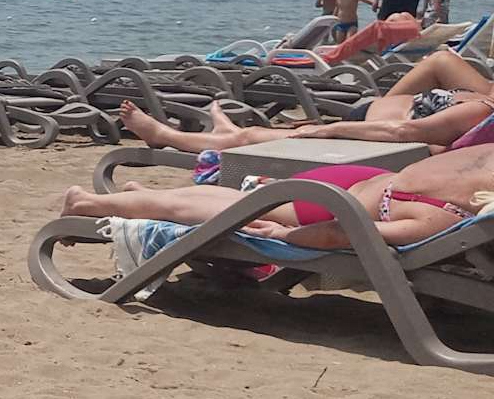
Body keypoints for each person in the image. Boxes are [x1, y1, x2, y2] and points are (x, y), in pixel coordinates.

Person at [57, 141, 494, 251]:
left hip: (366, 179)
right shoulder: (452, 215)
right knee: (219, 210)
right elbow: (343, 234)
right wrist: (282, 237)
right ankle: (88, 204)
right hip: (331, 205)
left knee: (225, 200)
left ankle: (142, 194)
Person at [116, 48, 494, 155]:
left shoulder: (482, 113)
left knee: (251, 139)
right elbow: (440, 63)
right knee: (441, 60)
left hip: (369, 141)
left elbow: (403, 132)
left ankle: (166, 136)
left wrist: (330, 130)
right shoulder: (484, 100)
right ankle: (225, 131)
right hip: (371, 121)